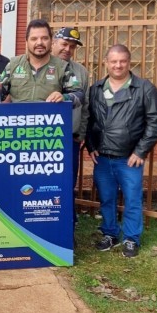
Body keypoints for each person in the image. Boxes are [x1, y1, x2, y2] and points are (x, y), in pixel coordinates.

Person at [85, 44, 157, 259]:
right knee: (107, 199)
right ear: (106, 63)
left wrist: (140, 151)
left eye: (122, 61)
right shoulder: (96, 89)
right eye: (113, 61)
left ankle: (131, 238)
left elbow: (155, 122)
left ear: (129, 63)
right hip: (103, 157)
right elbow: (89, 120)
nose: (118, 65)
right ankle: (110, 233)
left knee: (132, 199)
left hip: (129, 159)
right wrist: (91, 146)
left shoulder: (144, 89)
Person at [0, 19, 84, 106]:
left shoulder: (62, 67)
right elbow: (0, 94)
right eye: (34, 39)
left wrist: (64, 97)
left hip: (50, 118)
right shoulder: (13, 65)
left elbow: (79, 95)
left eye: (44, 38)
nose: (39, 42)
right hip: (18, 118)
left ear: (51, 41)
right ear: (27, 41)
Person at [51, 27, 90, 193]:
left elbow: (86, 106)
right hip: (42, 138)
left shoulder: (81, 72)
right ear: (53, 43)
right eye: (64, 44)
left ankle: (70, 218)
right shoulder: (41, 67)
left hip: (69, 139)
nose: (67, 49)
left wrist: (80, 135)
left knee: (68, 180)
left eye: (72, 46)